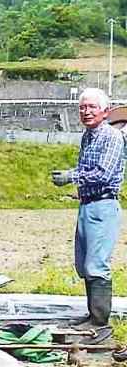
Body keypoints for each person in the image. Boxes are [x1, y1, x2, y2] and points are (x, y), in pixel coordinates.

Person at [51, 87, 125, 337]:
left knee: (96, 263)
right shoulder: (88, 136)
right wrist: (72, 175)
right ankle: (93, 314)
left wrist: (71, 176)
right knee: (83, 263)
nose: (86, 111)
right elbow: (87, 169)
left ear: (105, 111)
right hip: (87, 204)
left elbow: (103, 173)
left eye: (92, 107)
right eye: (82, 107)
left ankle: (100, 321)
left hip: (103, 205)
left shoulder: (112, 137)